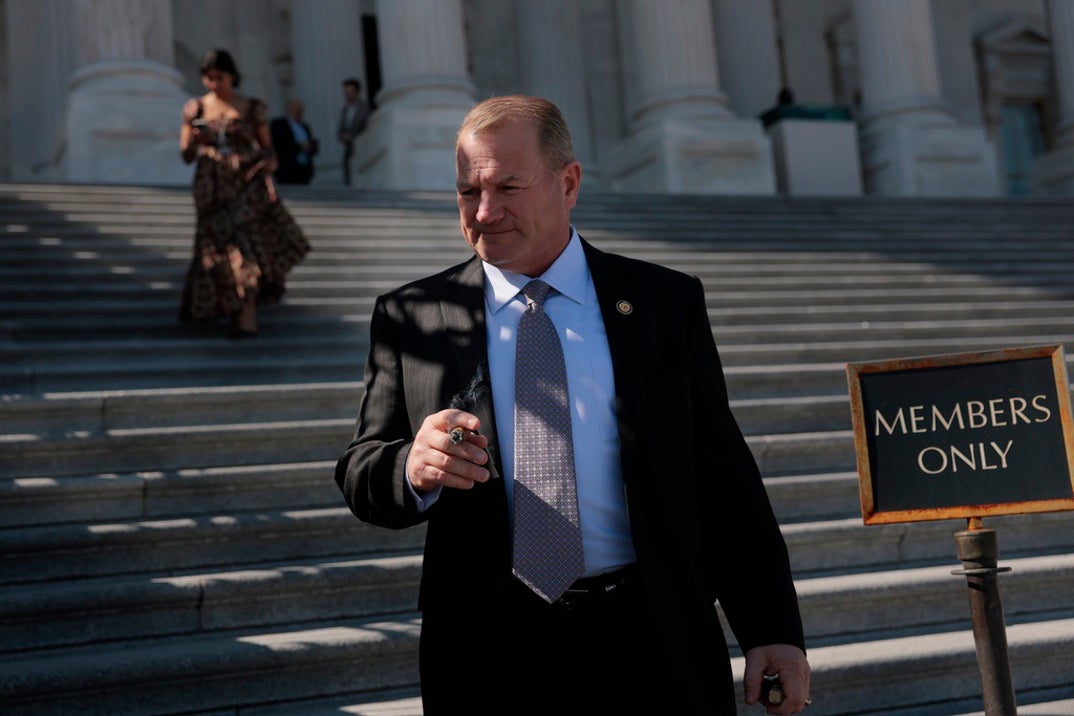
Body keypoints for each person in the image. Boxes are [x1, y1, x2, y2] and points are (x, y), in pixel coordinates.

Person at [335, 95, 811, 715]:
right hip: (488, 648)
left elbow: (721, 475)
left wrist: (770, 624)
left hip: (653, 637)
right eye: (466, 191)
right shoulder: (413, 315)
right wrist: (410, 468)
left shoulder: (664, 303)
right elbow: (359, 468)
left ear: (569, 183)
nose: (484, 212)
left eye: (508, 185)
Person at [178, 48, 310, 338]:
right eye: (208, 78)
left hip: (246, 187)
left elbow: (268, 148)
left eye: (220, 77)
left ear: (232, 75)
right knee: (219, 253)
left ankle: (247, 316)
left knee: (245, 250)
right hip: (211, 190)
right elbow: (186, 154)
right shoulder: (196, 108)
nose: (214, 84)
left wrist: (267, 163)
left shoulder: (252, 107)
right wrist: (192, 128)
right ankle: (236, 313)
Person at [270, 98, 319, 185]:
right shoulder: (280, 124)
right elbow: (279, 144)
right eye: (297, 110)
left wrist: (311, 146)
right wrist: (300, 146)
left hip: (304, 169)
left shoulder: (305, 127)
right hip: (287, 169)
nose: (299, 113)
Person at [337, 77, 370, 186]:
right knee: (348, 179)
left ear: (357, 92)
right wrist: (343, 136)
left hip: (363, 149)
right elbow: (340, 131)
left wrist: (353, 137)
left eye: (350, 92)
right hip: (349, 150)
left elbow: (367, 128)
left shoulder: (365, 108)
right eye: (346, 93)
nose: (348, 96)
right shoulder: (344, 110)